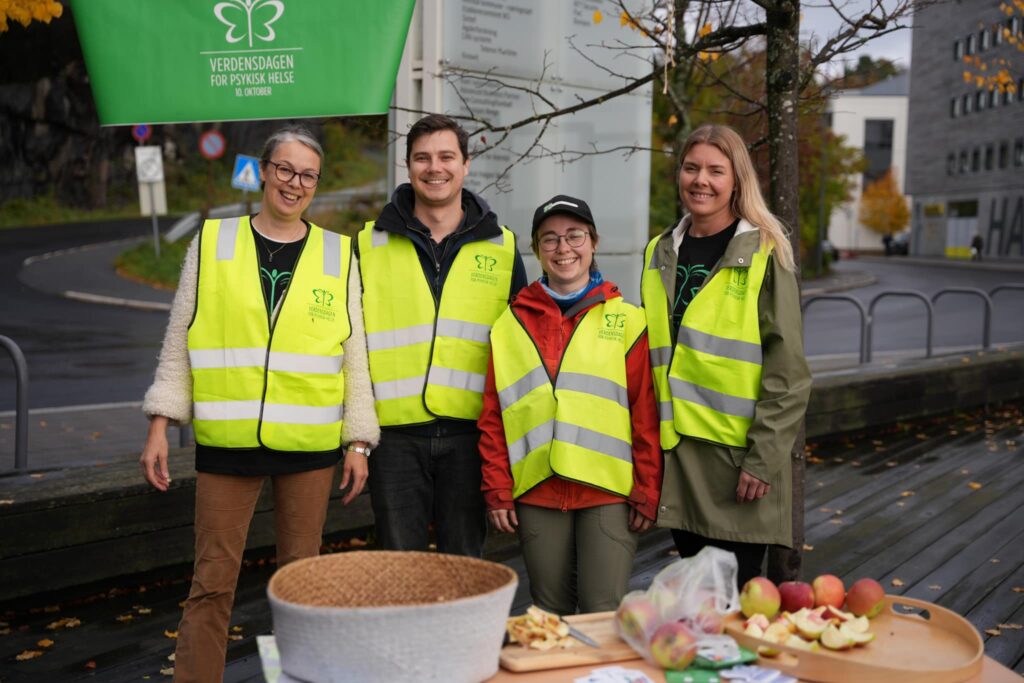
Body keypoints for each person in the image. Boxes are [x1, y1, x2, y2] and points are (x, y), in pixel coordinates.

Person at [140, 125, 379, 682]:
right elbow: (181, 336)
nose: (295, 183)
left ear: (317, 184)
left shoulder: (337, 253)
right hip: (228, 444)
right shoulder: (213, 241)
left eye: (308, 175)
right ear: (265, 172)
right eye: (285, 170)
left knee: (302, 585)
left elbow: (356, 354)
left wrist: (359, 440)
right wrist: (160, 421)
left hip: (310, 448)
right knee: (212, 583)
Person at [640, 124, 812, 588]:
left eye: (716, 171)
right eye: (691, 168)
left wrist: (763, 458)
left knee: (736, 599)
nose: (701, 180)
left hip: (738, 464)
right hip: (680, 457)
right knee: (699, 594)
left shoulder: (764, 251)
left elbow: (789, 372)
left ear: (737, 181)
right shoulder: (659, 251)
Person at [479, 195, 662, 615]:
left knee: (602, 610)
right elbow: (493, 418)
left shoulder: (628, 320)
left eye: (574, 236)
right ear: (537, 251)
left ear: (593, 242)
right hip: (537, 491)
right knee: (549, 614)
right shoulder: (510, 324)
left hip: (608, 492)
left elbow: (645, 413)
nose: (564, 249)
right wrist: (497, 490)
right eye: (550, 240)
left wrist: (648, 489)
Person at [357, 114, 527, 556]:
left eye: (447, 156)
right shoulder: (366, 245)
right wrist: (357, 436)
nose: (436, 167)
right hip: (393, 438)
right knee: (399, 571)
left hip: (472, 438)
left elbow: (522, 352)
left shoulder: (503, 246)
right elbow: (349, 347)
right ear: (409, 166)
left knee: (466, 570)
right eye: (423, 158)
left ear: (466, 164)